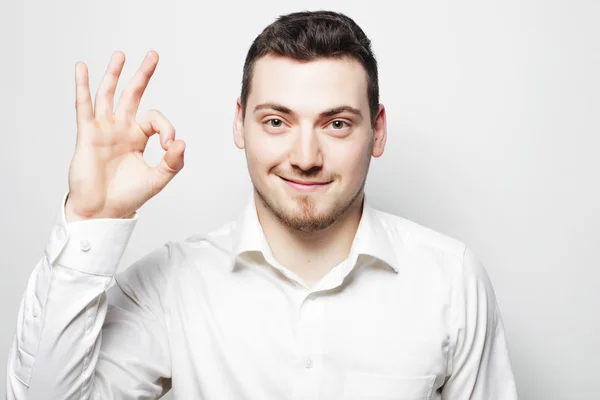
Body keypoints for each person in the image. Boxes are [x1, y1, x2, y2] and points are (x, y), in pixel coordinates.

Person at [6, 10, 518, 400]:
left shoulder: (450, 280)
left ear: (377, 131)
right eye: (277, 121)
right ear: (240, 124)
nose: (305, 157)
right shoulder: (173, 284)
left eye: (336, 123)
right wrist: (92, 220)